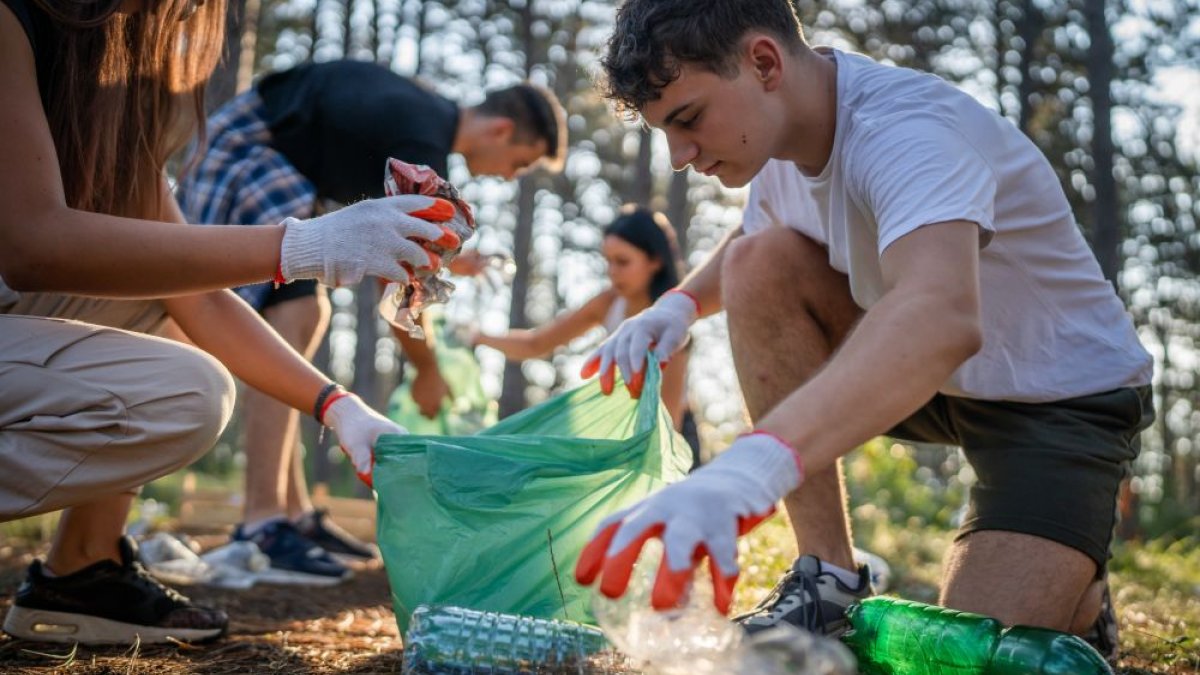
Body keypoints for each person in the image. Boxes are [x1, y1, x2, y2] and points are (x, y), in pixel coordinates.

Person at [573, 0, 1152, 662]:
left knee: (970, 652)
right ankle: (829, 581)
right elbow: (753, 239)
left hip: (1059, 399)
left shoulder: (906, 131)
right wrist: (675, 306)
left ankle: (1081, 586)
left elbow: (941, 314)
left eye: (688, 119)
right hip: (940, 379)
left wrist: (750, 467)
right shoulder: (779, 141)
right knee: (757, 263)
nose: (678, 156)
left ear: (763, 62)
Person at [0, 0, 456, 645]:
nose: (182, 24)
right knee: (187, 393)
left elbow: (201, 299)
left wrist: (339, 407)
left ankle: (81, 573)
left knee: (169, 294)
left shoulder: (100, 96)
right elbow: (32, 246)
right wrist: (305, 246)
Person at [176, 59, 568, 582]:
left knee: (303, 316)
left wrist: (448, 260)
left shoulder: (422, 117)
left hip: (278, 158)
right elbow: (398, 292)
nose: (509, 175)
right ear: (501, 130)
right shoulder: (422, 140)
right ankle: (262, 522)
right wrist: (427, 371)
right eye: (519, 162)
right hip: (250, 149)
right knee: (293, 316)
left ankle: (291, 513)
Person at [472, 207, 701, 465]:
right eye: (608, 261)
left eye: (623, 261)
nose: (612, 271)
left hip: (670, 438)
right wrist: (478, 336)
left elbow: (669, 417)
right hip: (619, 432)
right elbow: (537, 343)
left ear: (655, 261)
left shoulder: (670, 322)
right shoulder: (608, 303)